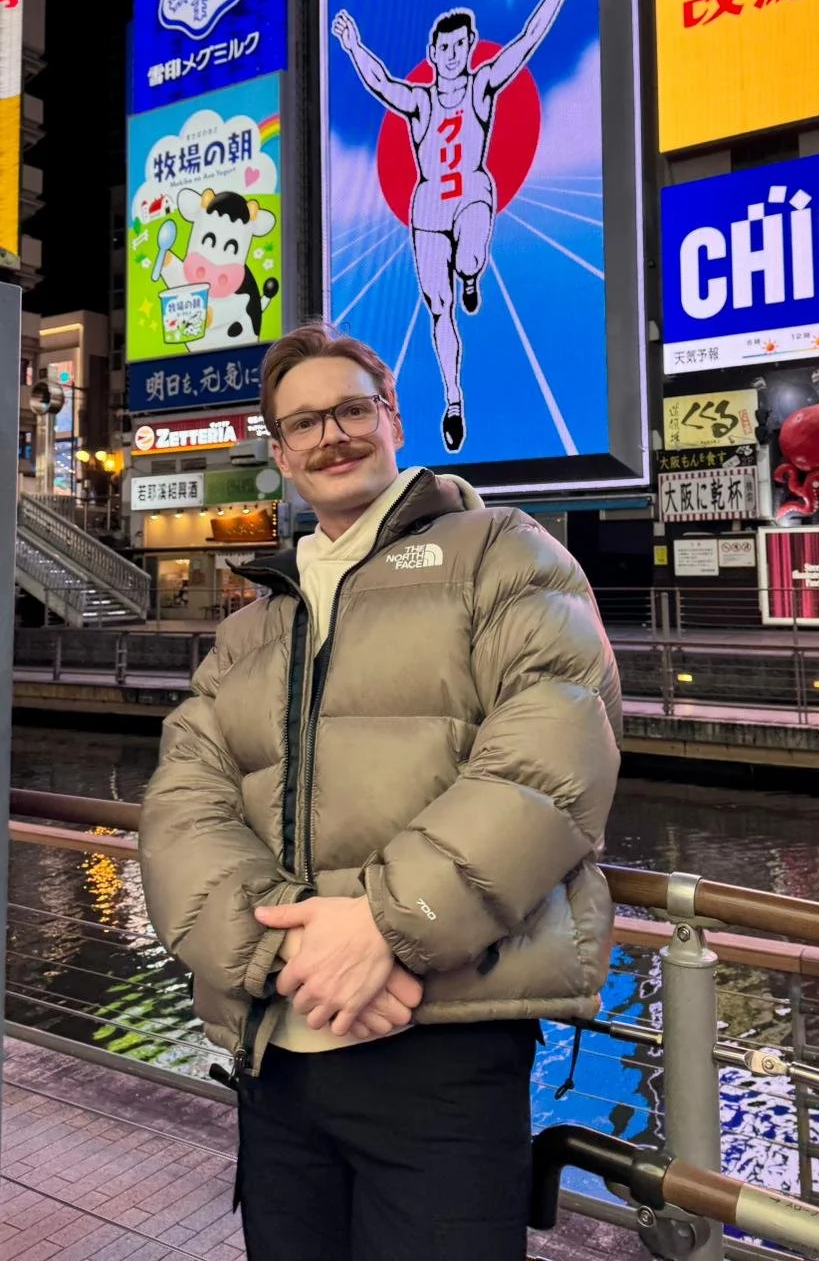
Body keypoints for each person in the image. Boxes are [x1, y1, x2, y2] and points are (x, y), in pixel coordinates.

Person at [139, 320, 621, 1261]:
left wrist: (386, 925)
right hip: (276, 1050)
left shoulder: (502, 552)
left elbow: (556, 748)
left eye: (352, 409)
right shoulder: (255, 623)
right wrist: (288, 952)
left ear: (395, 418)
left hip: (444, 1043)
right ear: (280, 454)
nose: (332, 436)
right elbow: (179, 806)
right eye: (304, 423)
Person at [331, 0, 593, 453]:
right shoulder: (420, 100)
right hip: (428, 206)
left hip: (472, 188)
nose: (452, 55)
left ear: (469, 48)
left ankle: (472, 271)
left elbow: (526, 41)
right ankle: (454, 400)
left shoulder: (482, 85)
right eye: (444, 48)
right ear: (432, 53)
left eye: (460, 46)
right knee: (439, 307)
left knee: (470, 255)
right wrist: (353, 45)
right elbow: (381, 83)